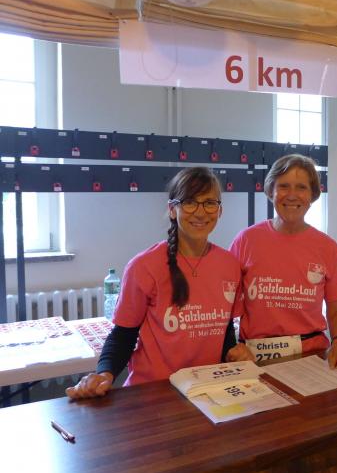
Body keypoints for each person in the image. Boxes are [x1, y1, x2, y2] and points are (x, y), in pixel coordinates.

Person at [66, 167, 249, 399]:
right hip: (153, 393)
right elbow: (124, 335)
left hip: (206, 391)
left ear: (219, 210)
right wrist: (104, 373)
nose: (201, 212)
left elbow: (223, 331)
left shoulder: (229, 265)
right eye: (190, 202)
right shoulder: (144, 266)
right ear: (173, 210)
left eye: (210, 203)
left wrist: (233, 354)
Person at [229, 154, 337, 370]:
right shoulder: (246, 240)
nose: (292, 195)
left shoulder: (327, 247)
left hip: (312, 354)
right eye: (284, 186)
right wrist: (231, 346)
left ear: (313, 194)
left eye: (301, 187)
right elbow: (225, 304)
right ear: (271, 191)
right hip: (253, 356)